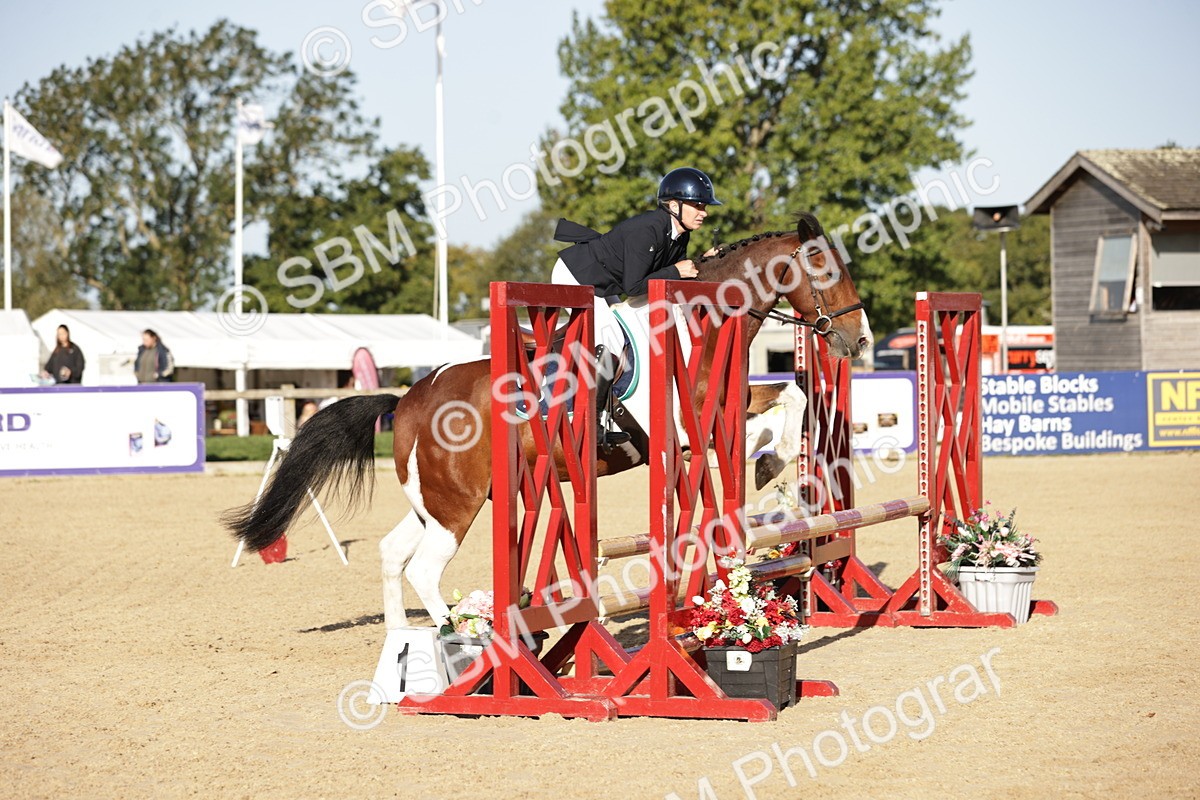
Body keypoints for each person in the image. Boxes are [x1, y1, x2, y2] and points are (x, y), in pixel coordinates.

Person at [552, 166, 721, 443]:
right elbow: (636, 288)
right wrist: (677, 271)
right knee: (612, 339)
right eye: (698, 205)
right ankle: (592, 424)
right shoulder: (648, 229)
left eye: (704, 206)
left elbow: (672, 275)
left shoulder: (680, 235)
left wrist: (704, 263)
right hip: (576, 275)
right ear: (674, 205)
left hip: (606, 283)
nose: (704, 212)